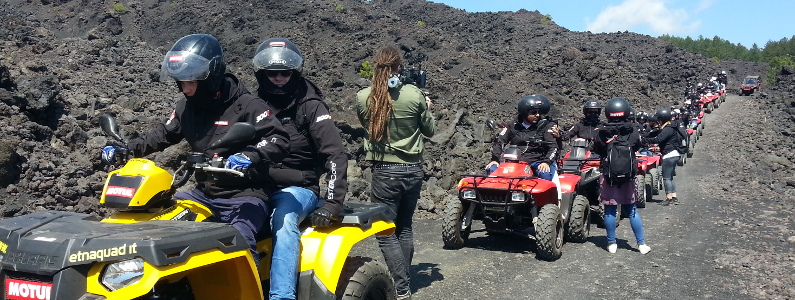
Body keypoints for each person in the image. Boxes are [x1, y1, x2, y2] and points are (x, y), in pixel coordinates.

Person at [102, 34, 290, 263]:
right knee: (159, 225)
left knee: (239, 239)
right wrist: (127, 149)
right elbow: (162, 135)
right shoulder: (186, 107)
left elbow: (278, 139)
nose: (185, 89)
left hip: (245, 196)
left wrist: (250, 155)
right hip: (204, 193)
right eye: (181, 83)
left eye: (191, 82)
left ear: (211, 77)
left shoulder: (248, 105)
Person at [252, 38, 348, 300]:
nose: (280, 78)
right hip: (257, 184)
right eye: (273, 73)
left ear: (295, 72)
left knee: (282, 221)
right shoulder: (253, 104)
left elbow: (335, 154)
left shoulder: (310, 105)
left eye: (286, 72)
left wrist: (332, 203)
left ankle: (282, 295)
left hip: (298, 188)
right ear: (263, 74)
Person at [356, 44, 435, 300]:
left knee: (386, 231)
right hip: (413, 170)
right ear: (399, 68)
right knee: (404, 228)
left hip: (385, 171)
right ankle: (405, 282)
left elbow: (366, 125)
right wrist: (427, 106)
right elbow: (430, 131)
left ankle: (401, 289)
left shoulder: (364, 96)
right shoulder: (415, 94)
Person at [592, 97, 650, 254]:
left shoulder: (601, 131)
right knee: (632, 210)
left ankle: (611, 243)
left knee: (609, 209)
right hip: (628, 174)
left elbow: (596, 149)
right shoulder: (633, 129)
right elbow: (637, 145)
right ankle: (641, 244)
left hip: (608, 173)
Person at [486, 94, 558, 181]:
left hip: (536, 162)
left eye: (539, 112)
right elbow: (500, 142)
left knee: (545, 175)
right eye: (533, 112)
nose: (537, 115)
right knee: (490, 170)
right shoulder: (511, 125)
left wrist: (546, 162)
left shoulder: (547, 126)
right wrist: (495, 159)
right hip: (514, 162)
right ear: (524, 112)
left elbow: (553, 146)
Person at [642, 108, 680, 205]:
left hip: (669, 155)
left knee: (666, 178)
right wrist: (647, 135)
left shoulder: (667, 129)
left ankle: (668, 198)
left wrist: (645, 141)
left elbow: (659, 139)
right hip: (674, 154)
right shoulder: (669, 127)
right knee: (670, 177)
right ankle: (673, 196)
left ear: (661, 119)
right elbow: (657, 133)